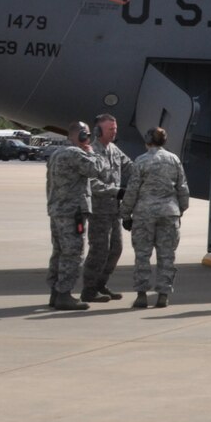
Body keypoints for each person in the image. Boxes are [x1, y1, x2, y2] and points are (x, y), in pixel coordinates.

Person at [119, 125, 190, 308]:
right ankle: (163, 295)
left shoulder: (141, 161)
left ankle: (142, 295)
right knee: (167, 255)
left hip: (144, 214)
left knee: (142, 255)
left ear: (147, 140)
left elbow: (132, 190)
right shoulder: (174, 160)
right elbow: (182, 188)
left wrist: (125, 214)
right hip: (169, 213)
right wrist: (179, 209)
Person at [43, 122, 107, 311]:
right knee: (73, 253)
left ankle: (55, 292)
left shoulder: (56, 154)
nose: (88, 139)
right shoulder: (76, 153)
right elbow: (97, 169)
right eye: (86, 135)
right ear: (80, 136)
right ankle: (64, 294)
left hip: (57, 210)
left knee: (59, 252)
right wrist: (93, 151)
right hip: (72, 212)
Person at [80, 113, 128, 303]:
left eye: (115, 129)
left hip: (114, 210)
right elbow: (91, 183)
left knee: (116, 249)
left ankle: (101, 283)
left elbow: (130, 167)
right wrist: (116, 191)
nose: (114, 132)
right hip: (99, 210)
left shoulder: (114, 149)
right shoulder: (91, 152)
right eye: (110, 129)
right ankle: (89, 289)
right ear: (98, 130)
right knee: (99, 250)